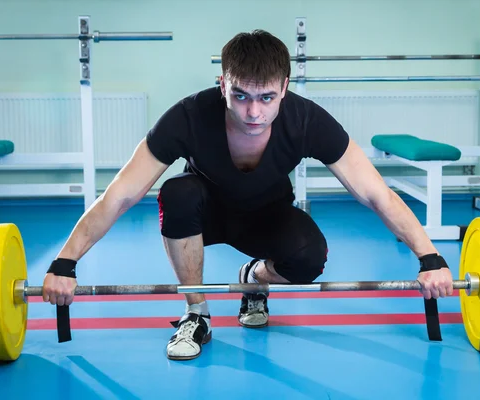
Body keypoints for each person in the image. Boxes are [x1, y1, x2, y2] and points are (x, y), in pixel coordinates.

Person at [42, 29, 454, 361]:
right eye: (240, 96)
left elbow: (375, 194)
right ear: (222, 84)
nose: (253, 112)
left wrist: (430, 258)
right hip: (204, 216)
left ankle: (253, 279)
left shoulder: (307, 120)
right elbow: (119, 196)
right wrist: (65, 263)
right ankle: (196, 313)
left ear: (285, 88)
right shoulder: (187, 117)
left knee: (310, 256)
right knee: (177, 192)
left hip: (267, 216)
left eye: (266, 98)